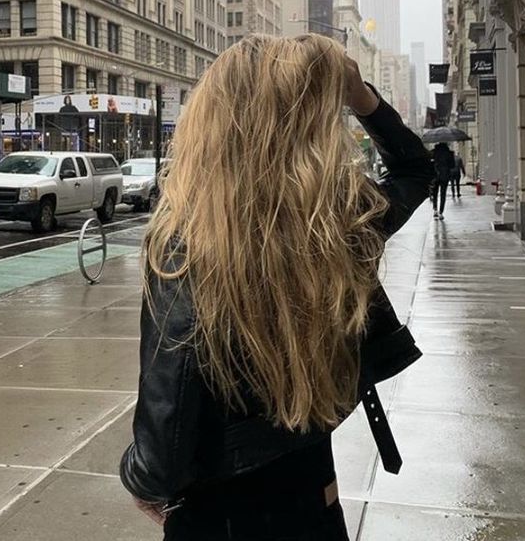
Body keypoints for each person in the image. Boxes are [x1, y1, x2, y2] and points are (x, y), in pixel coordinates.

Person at [120, 34, 433, 541]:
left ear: (209, 126)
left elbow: (168, 414)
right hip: (314, 494)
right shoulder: (335, 223)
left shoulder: (187, 242)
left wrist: (140, 479)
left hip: (222, 514)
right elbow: (417, 168)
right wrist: (362, 99)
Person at [432, 142, 454, 219]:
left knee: (435, 193)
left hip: (435, 175)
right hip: (445, 175)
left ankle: (435, 210)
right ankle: (441, 212)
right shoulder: (449, 153)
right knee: (443, 194)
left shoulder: (433, 152)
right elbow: (452, 165)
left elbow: (430, 164)